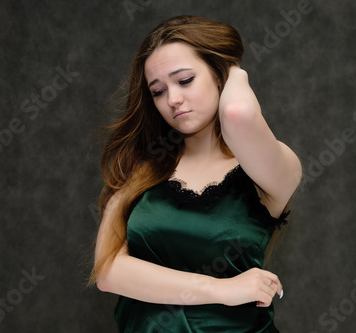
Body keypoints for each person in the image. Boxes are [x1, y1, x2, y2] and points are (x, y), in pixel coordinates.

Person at [89, 15, 302, 332]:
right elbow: (108, 272)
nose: (173, 99)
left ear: (219, 76)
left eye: (185, 80)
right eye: (158, 91)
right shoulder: (140, 169)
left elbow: (237, 113)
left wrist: (231, 67)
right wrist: (220, 290)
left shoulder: (269, 170)